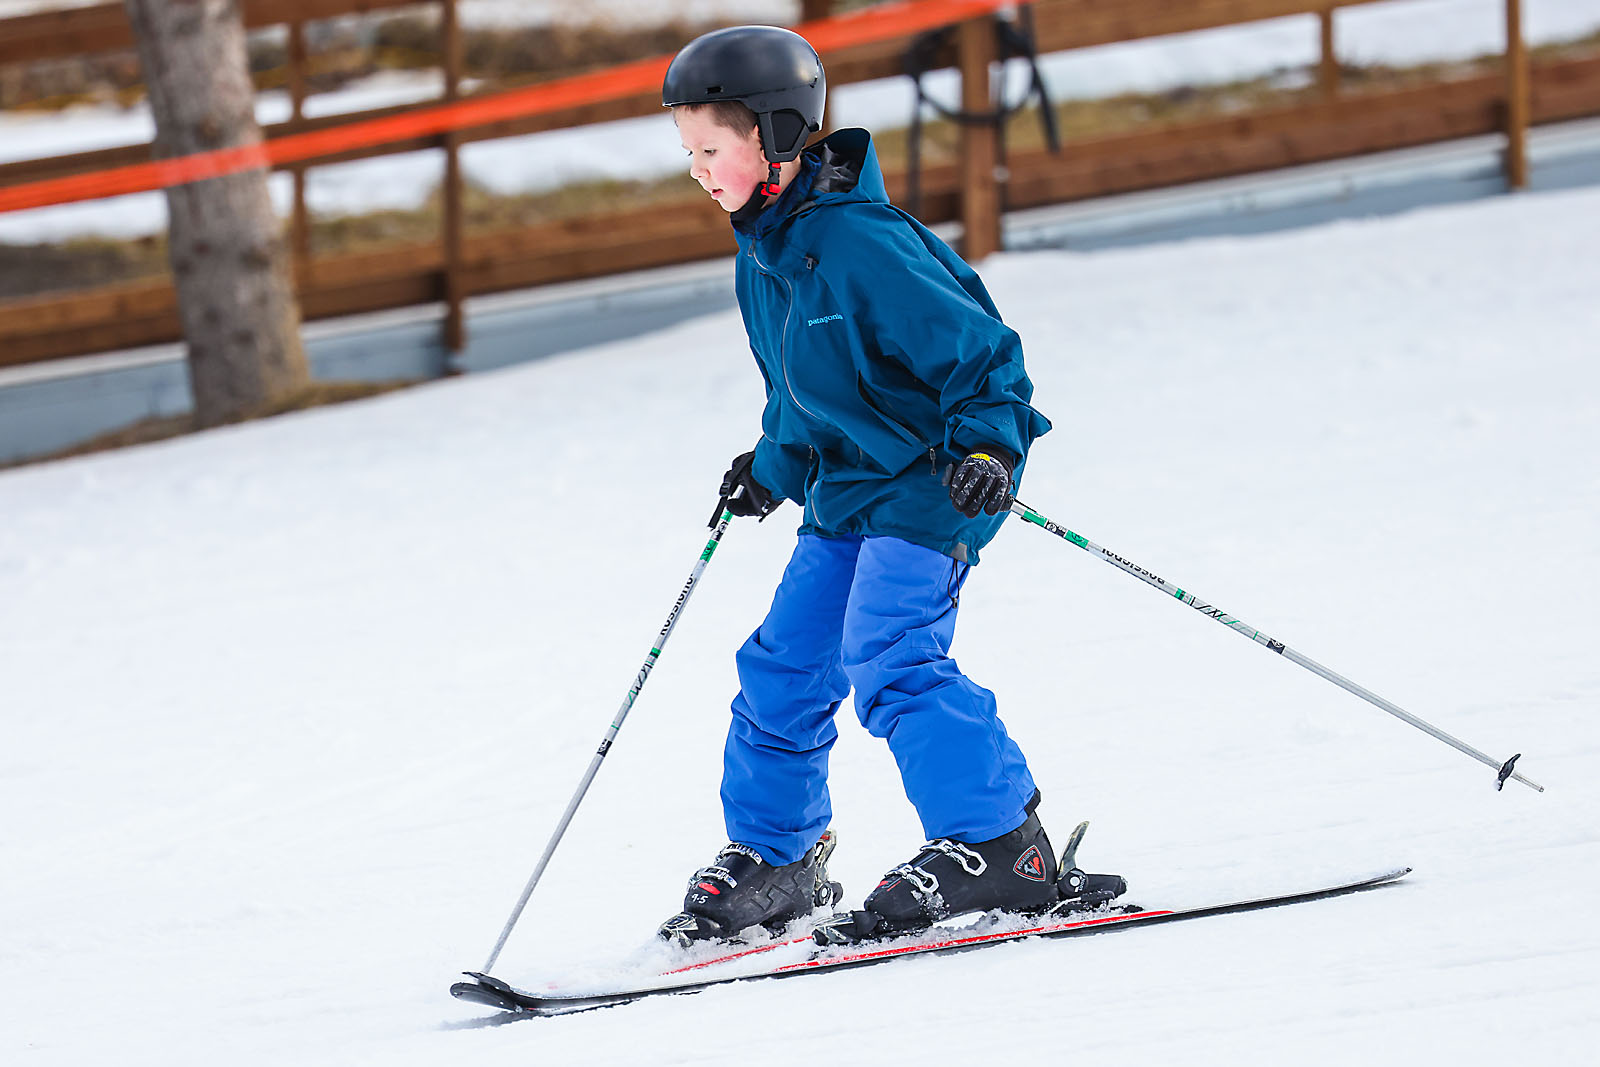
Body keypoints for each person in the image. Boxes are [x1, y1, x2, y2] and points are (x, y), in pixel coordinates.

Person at [656, 25, 1094, 945]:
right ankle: (782, 857)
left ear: (776, 139)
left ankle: (1001, 845)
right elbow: (801, 392)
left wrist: (989, 448)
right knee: (782, 668)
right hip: (844, 493)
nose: (695, 169)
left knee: (889, 654)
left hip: (933, 485)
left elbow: (984, 357)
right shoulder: (761, 253)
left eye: (709, 148)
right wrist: (770, 466)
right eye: (687, 150)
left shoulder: (863, 244)